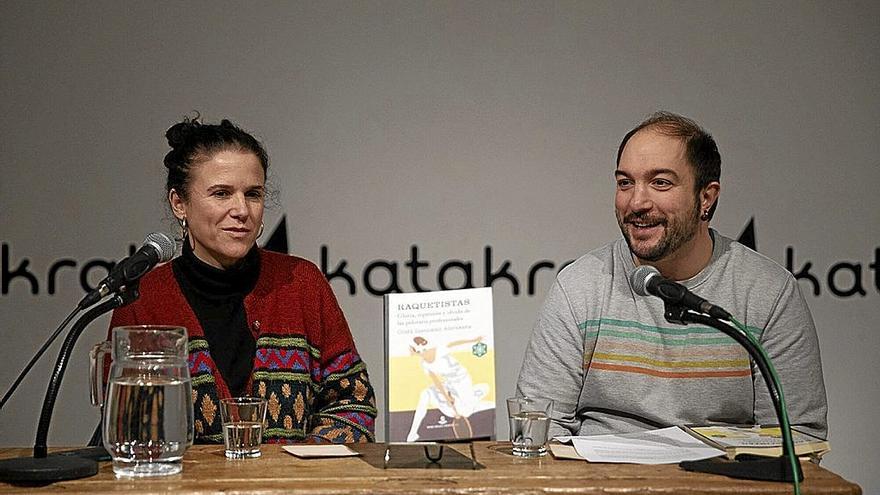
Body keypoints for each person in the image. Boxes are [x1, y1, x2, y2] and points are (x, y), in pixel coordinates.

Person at [516, 111, 828, 440]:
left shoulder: (768, 293)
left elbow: (795, 439)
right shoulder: (580, 286)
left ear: (706, 197)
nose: (636, 202)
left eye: (660, 183)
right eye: (625, 183)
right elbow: (537, 428)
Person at [106, 116, 376, 444]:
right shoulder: (144, 300)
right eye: (221, 193)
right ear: (180, 204)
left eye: (253, 194)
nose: (241, 210)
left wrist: (296, 473)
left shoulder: (302, 283)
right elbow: (128, 427)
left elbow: (353, 402)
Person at [405, 336, 494, 441]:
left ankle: (478, 396)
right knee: (425, 394)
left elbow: (455, 343)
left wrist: (473, 340)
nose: (411, 351)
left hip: (462, 381)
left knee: (470, 407)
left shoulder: (438, 350)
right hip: (449, 384)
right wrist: (447, 397)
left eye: (413, 348)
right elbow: (437, 382)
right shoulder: (424, 364)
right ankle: (413, 433)